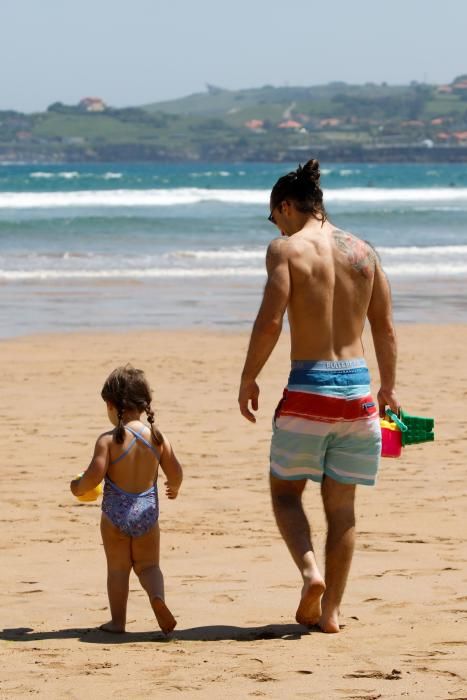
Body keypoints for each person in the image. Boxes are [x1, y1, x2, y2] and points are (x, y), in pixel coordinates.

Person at [238, 159, 399, 633]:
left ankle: (311, 574)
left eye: (274, 217)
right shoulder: (364, 252)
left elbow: (271, 321)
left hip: (309, 386)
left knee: (286, 493)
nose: (275, 226)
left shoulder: (286, 250)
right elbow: (384, 326)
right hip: (357, 391)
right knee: (342, 509)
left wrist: (249, 377)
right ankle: (330, 614)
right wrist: (388, 387)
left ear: (286, 206)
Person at [70, 364, 183, 635]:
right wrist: (174, 487)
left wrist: (77, 487)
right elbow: (176, 472)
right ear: (144, 405)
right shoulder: (157, 438)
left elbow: (93, 478)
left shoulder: (108, 441)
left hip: (115, 516)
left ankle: (117, 622)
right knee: (150, 566)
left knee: (118, 570)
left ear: (111, 404)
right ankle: (157, 598)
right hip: (147, 514)